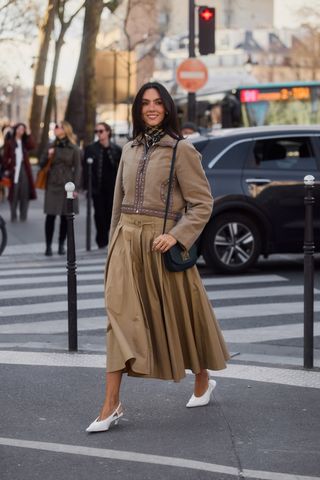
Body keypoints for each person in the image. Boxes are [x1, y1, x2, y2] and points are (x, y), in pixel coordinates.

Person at [86, 82, 229, 434]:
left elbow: (202, 204)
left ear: (167, 108)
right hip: (126, 244)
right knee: (118, 319)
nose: (151, 108)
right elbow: (118, 204)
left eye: (157, 103)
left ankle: (203, 380)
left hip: (160, 245)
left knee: (182, 316)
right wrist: (112, 247)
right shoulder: (129, 149)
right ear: (138, 109)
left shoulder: (181, 150)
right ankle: (111, 403)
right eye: (145, 103)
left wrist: (176, 235)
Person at [41, 120, 82, 256]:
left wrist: (75, 188)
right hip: (53, 184)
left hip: (68, 186)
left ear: (65, 129)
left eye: (58, 127)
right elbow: (41, 164)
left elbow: (78, 169)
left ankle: (61, 245)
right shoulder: (50, 145)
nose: (55, 128)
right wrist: (48, 156)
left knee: (65, 216)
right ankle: (48, 246)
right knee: (50, 215)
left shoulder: (74, 148)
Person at [83, 122, 122, 248]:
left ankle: (109, 238)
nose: (98, 134)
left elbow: (122, 170)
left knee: (111, 214)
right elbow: (85, 170)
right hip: (97, 188)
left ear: (108, 132)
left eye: (101, 131)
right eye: (96, 131)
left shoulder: (116, 149)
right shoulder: (91, 149)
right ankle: (102, 241)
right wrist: (86, 187)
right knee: (99, 215)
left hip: (113, 189)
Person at [2, 123, 36, 221]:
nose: (21, 130)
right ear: (16, 129)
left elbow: (32, 146)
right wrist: (8, 165)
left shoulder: (25, 142)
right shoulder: (10, 142)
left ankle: (23, 215)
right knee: (14, 194)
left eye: (23, 129)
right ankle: (13, 215)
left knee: (24, 193)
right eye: (19, 128)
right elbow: (4, 158)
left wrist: (29, 133)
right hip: (13, 171)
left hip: (24, 170)